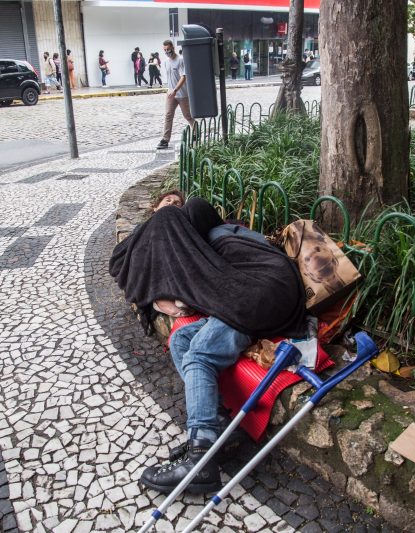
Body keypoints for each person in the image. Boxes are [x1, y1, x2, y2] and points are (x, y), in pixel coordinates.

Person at [109, 197, 306, 494]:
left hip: (260, 294)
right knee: (182, 339)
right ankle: (219, 432)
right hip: (263, 295)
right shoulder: (224, 234)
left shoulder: (211, 241)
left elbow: (191, 293)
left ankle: (200, 458)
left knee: (200, 355)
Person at [156, 39, 195, 150]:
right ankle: (165, 140)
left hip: (181, 93)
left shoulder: (180, 60)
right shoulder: (165, 62)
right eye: (165, 50)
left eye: (168, 49)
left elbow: (184, 76)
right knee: (168, 115)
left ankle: (197, 131)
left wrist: (176, 90)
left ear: (173, 47)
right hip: (171, 94)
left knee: (187, 116)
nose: (167, 51)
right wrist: (170, 90)